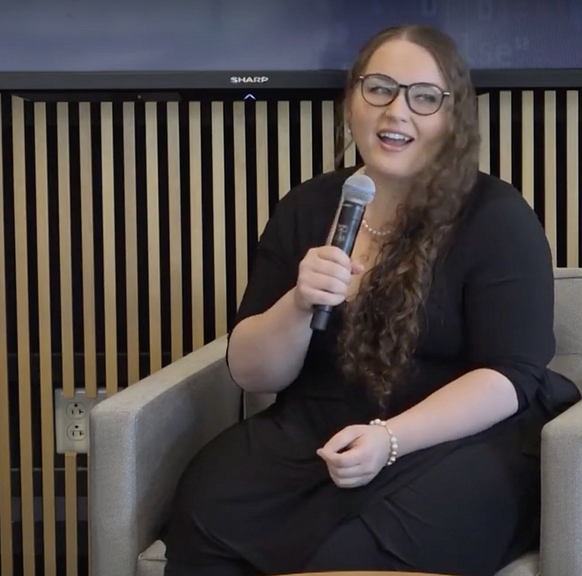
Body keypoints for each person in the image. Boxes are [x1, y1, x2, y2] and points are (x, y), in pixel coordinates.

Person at [161, 24, 581, 576]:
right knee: (209, 510)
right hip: (320, 429)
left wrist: (390, 438)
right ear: (352, 101)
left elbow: (513, 375)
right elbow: (252, 372)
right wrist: (298, 304)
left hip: (461, 438)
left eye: (424, 97)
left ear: (452, 119)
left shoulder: (496, 216)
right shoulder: (308, 207)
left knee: (357, 550)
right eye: (379, 88)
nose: (396, 112)